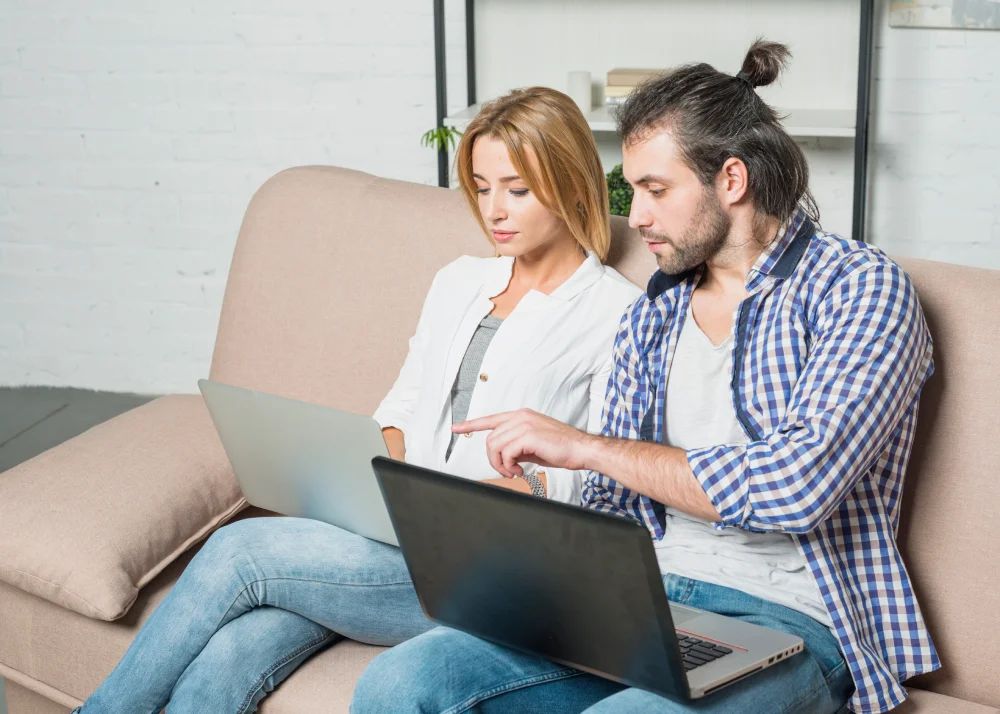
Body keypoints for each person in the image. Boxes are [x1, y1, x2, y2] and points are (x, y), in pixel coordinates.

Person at [351, 40, 939, 714]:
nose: (636, 218)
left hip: (790, 621)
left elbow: (798, 487)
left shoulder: (859, 289)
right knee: (401, 683)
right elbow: (613, 501)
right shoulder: (652, 316)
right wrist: (528, 497)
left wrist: (587, 446)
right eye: (633, 191)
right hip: (636, 603)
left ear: (732, 181)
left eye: (656, 191)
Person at [72, 86, 642, 714]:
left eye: (517, 188)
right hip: (395, 531)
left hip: (496, 567)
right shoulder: (458, 280)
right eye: (481, 187)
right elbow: (401, 406)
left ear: (568, 184)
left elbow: (603, 476)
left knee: (239, 552)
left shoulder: (617, 314)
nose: (495, 210)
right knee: (236, 650)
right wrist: (381, 487)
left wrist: (462, 508)